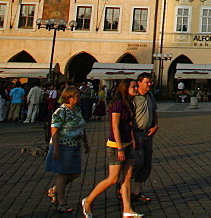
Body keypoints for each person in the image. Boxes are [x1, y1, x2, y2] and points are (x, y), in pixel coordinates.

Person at [81, 79, 141, 218]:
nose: (136, 88)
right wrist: (120, 148)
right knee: (113, 179)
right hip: (116, 145)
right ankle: (88, 200)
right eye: (133, 86)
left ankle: (127, 209)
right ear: (125, 88)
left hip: (128, 144)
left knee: (127, 178)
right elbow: (115, 126)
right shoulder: (118, 104)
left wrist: (132, 140)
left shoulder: (129, 104)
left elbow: (130, 124)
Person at [44, 86, 87, 214]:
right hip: (63, 146)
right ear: (69, 98)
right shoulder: (60, 112)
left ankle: (55, 190)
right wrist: (56, 148)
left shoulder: (77, 110)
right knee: (63, 174)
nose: (79, 98)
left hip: (75, 145)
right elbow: (55, 130)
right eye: (77, 96)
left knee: (75, 173)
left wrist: (86, 142)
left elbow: (81, 126)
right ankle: (61, 202)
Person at [130, 73, 158, 205]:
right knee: (138, 162)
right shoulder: (133, 98)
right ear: (139, 82)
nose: (150, 84)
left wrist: (156, 126)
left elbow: (154, 112)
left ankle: (137, 192)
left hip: (148, 134)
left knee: (146, 164)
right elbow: (128, 119)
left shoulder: (150, 96)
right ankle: (122, 185)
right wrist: (131, 136)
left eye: (151, 82)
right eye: (147, 82)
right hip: (136, 134)